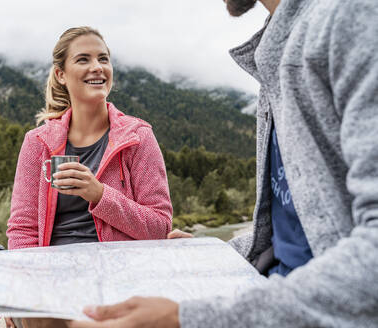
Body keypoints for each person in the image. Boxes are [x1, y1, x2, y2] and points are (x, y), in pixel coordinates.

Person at [68, 0, 378, 327]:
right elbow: (295, 233)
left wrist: (188, 318)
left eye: (103, 58)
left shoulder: (352, 17)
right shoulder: (279, 50)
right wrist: (214, 255)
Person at [4, 26, 173, 327]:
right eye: (83, 59)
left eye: (103, 59)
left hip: (119, 279)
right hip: (52, 279)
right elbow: (22, 230)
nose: (97, 67)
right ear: (61, 74)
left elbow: (159, 228)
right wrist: (32, 284)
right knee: (45, 316)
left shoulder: (137, 137)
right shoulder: (38, 142)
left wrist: (99, 194)